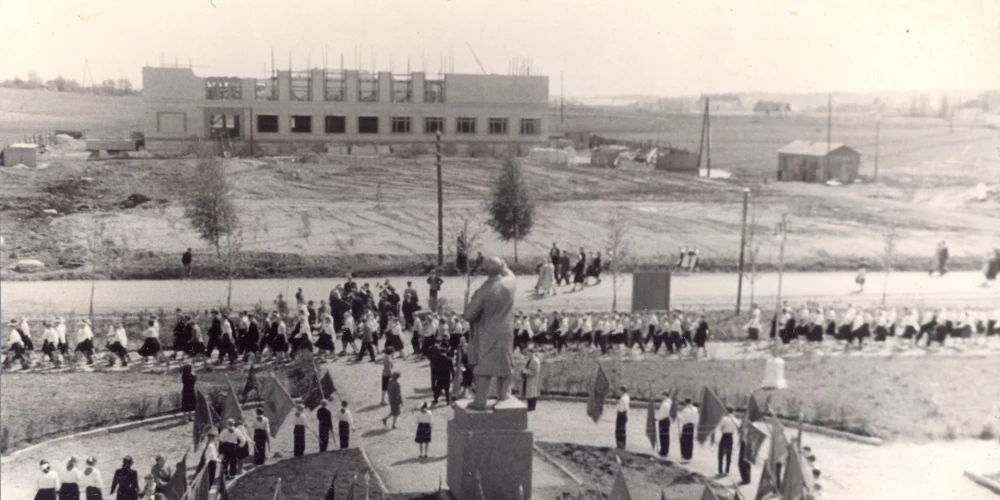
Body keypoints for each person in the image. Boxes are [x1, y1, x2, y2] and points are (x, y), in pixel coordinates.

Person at [463, 256, 517, 411]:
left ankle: (480, 400)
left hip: (488, 332)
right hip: (506, 330)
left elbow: (468, 315)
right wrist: (502, 265)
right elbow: (509, 273)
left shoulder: (484, 291)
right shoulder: (510, 283)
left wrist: (470, 300)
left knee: (484, 366)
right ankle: (503, 395)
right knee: (505, 361)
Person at [656, 392, 672, 457]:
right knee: (666, 436)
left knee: (662, 436)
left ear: (666, 396)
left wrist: (656, 418)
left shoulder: (665, 404)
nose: (662, 397)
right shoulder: (669, 402)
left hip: (663, 420)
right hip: (667, 420)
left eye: (663, 396)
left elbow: (662, 414)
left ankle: (663, 451)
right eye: (662, 396)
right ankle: (665, 450)